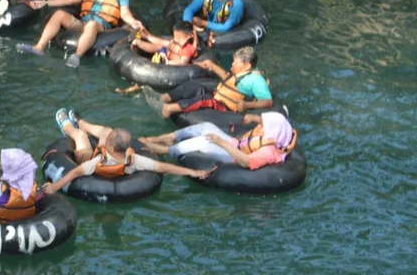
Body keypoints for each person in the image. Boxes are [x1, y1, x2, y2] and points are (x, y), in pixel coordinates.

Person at [41, 109, 213, 195]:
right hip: (109, 158)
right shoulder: (134, 161)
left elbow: (76, 171)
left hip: (86, 157)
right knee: (106, 130)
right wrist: (193, 172)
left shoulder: (96, 163)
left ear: (110, 147)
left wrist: (55, 187)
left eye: (109, 141)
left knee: (79, 136)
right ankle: (81, 121)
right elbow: (164, 167)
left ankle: (68, 125)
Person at [17, 0, 145, 67]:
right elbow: (69, 0)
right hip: (83, 23)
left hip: (101, 26)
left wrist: (133, 22)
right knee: (59, 14)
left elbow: (124, 12)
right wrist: (44, 2)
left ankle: (76, 56)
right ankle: (39, 47)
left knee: (92, 25)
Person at [139, 111, 298, 170]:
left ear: (273, 131)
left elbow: (247, 162)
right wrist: (252, 117)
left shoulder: (268, 150)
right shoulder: (273, 133)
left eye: (264, 125)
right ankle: (169, 137)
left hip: (234, 156)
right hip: (236, 144)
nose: (260, 125)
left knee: (203, 141)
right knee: (206, 126)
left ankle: (166, 151)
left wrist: (220, 143)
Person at [158, 46, 272, 118]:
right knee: (194, 86)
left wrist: (247, 104)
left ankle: (168, 109)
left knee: (206, 100)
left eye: (235, 63)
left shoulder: (257, 80)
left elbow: (268, 102)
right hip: (218, 98)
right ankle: (163, 98)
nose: (232, 64)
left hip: (227, 109)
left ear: (247, 65)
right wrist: (212, 66)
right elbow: (229, 81)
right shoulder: (242, 72)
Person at [130, 21, 199, 66]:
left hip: (168, 64)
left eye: (178, 38)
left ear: (189, 36)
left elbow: (183, 62)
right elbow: (161, 42)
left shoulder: (188, 49)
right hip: (164, 55)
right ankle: (139, 41)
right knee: (160, 47)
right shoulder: (175, 42)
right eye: (175, 37)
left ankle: (139, 42)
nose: (175, 39)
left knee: (162, 49)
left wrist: (167, 62)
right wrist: (146, 36)